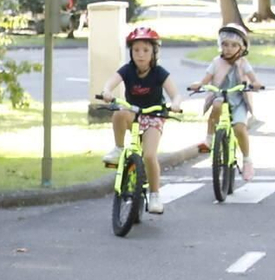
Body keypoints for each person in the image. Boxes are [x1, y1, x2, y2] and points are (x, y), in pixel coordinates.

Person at [95, 25, 185, 213]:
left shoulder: (159, 72)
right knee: (119, 112)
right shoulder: (127, 70)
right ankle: (119, 148)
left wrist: (175, 103)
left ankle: (154, 195)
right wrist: (107, 91)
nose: (140, 55)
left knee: (150, 155)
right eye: (136, 50)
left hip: (154, 116)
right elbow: (111, 82)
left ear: (154, 52)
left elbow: (175, 94)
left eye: (146, 50)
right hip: (133, 113)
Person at [188, 24, 265, 183]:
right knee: (216, 106)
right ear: (220, 46)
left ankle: (247, 160)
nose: (228, 49)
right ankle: (209, 139)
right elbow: (206, 79)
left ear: (242, 47)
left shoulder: (243, 63)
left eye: (234, 45)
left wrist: (256, 83)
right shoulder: (216, 62)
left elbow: (253, 78)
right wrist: (199, 84)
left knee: (239, 128)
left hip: (238, 101)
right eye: (225, 44)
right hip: (220, 97)